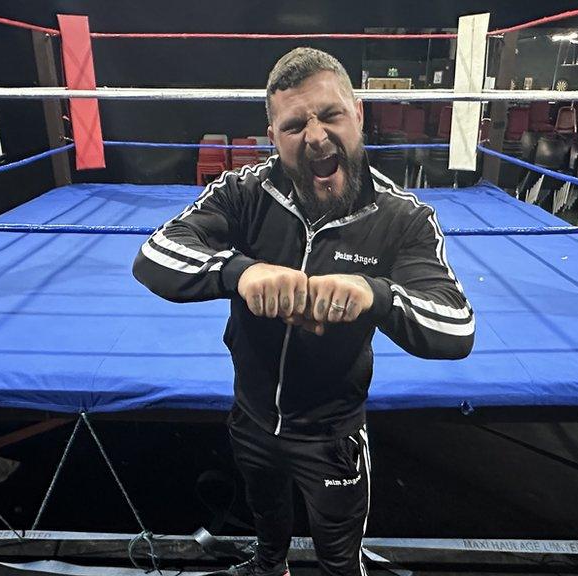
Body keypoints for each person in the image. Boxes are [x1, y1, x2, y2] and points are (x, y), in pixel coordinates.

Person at [133, 47, 474, 576]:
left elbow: (456, 326)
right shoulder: (243, 192)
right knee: (267, 533)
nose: (316, 137)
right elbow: (155, 255)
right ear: (274, 137)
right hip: (251, 416)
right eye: (295, 125)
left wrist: (375, 294)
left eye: (330, 115)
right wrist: (240, 272)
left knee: (339, 559)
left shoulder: (402, 218)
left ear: (358, 113)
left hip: (331, 434)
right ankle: (271, 566)